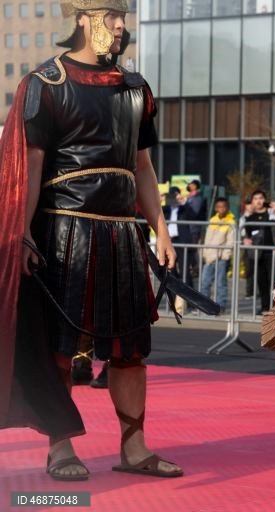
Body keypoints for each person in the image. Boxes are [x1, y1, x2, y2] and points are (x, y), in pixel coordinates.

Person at [0, 1, 182, 480]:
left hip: (124, 235)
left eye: (123, 17)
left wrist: (161, 229)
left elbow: (142, 168)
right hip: (64, 234)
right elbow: (30, 169)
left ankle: (135, 446)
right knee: (62, 347)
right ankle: (60, 447)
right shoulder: (46, 84)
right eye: (112, 16)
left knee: (130, 349)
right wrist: (20, 232)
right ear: (83, 19)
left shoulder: (136, 88)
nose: (122, 26)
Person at [243, 190, 275, 312]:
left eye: (261, 198)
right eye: (255, 199)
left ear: (264, 199)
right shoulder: (249, 217)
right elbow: (246, 235)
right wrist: (245, 240)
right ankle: (264, 306)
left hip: (272, 252)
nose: (258, 201)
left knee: (274, 281)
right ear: (252, 201)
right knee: (261, 281)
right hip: (257, 254)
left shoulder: (271, 214)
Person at [200, 197, 236, 310]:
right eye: (219, 207)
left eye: (224, 206)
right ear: (216, 208)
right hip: (209, 256)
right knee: (205, 282)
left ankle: (220, 306)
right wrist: (205, 253)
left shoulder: (231, 222)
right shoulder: (212, 220)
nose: (221, 209)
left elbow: (231, 241)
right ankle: (204, 305)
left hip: (221, 257)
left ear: (228, 207)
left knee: (221, 283)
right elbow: (207, 239)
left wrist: (225, 256)